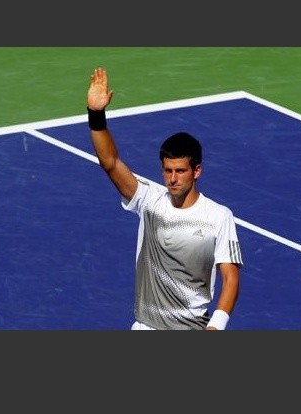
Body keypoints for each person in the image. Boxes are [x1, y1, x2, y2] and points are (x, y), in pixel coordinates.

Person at [86, 67, 243, 330]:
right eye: (167, 171)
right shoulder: (150, 201)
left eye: (180, 171)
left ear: (196, 171)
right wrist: (96, 114)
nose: (172, 179)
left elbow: (231, 278)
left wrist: (216, 325)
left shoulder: (218, 217)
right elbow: (110, 162)